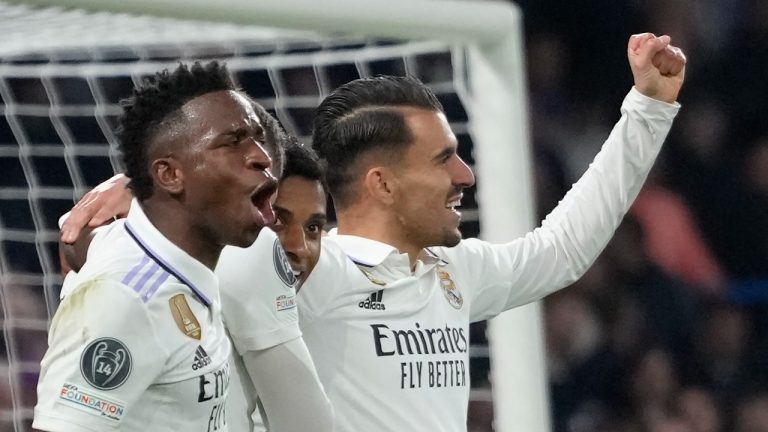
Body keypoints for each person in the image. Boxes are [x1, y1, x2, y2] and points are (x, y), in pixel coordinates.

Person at [62, 33, 686, 431]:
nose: (465, 175)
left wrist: (648, 111)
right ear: (383, 184)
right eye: (444, 158)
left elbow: (565, 247)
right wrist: (141, 192)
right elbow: (196, 228)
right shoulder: (305, 270)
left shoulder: (456, 273)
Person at [36, 62, 332, 432]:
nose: (262, 158)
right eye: (233, 141)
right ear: (171, 175)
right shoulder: (126, 296)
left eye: (257, 140)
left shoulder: (192, 273)